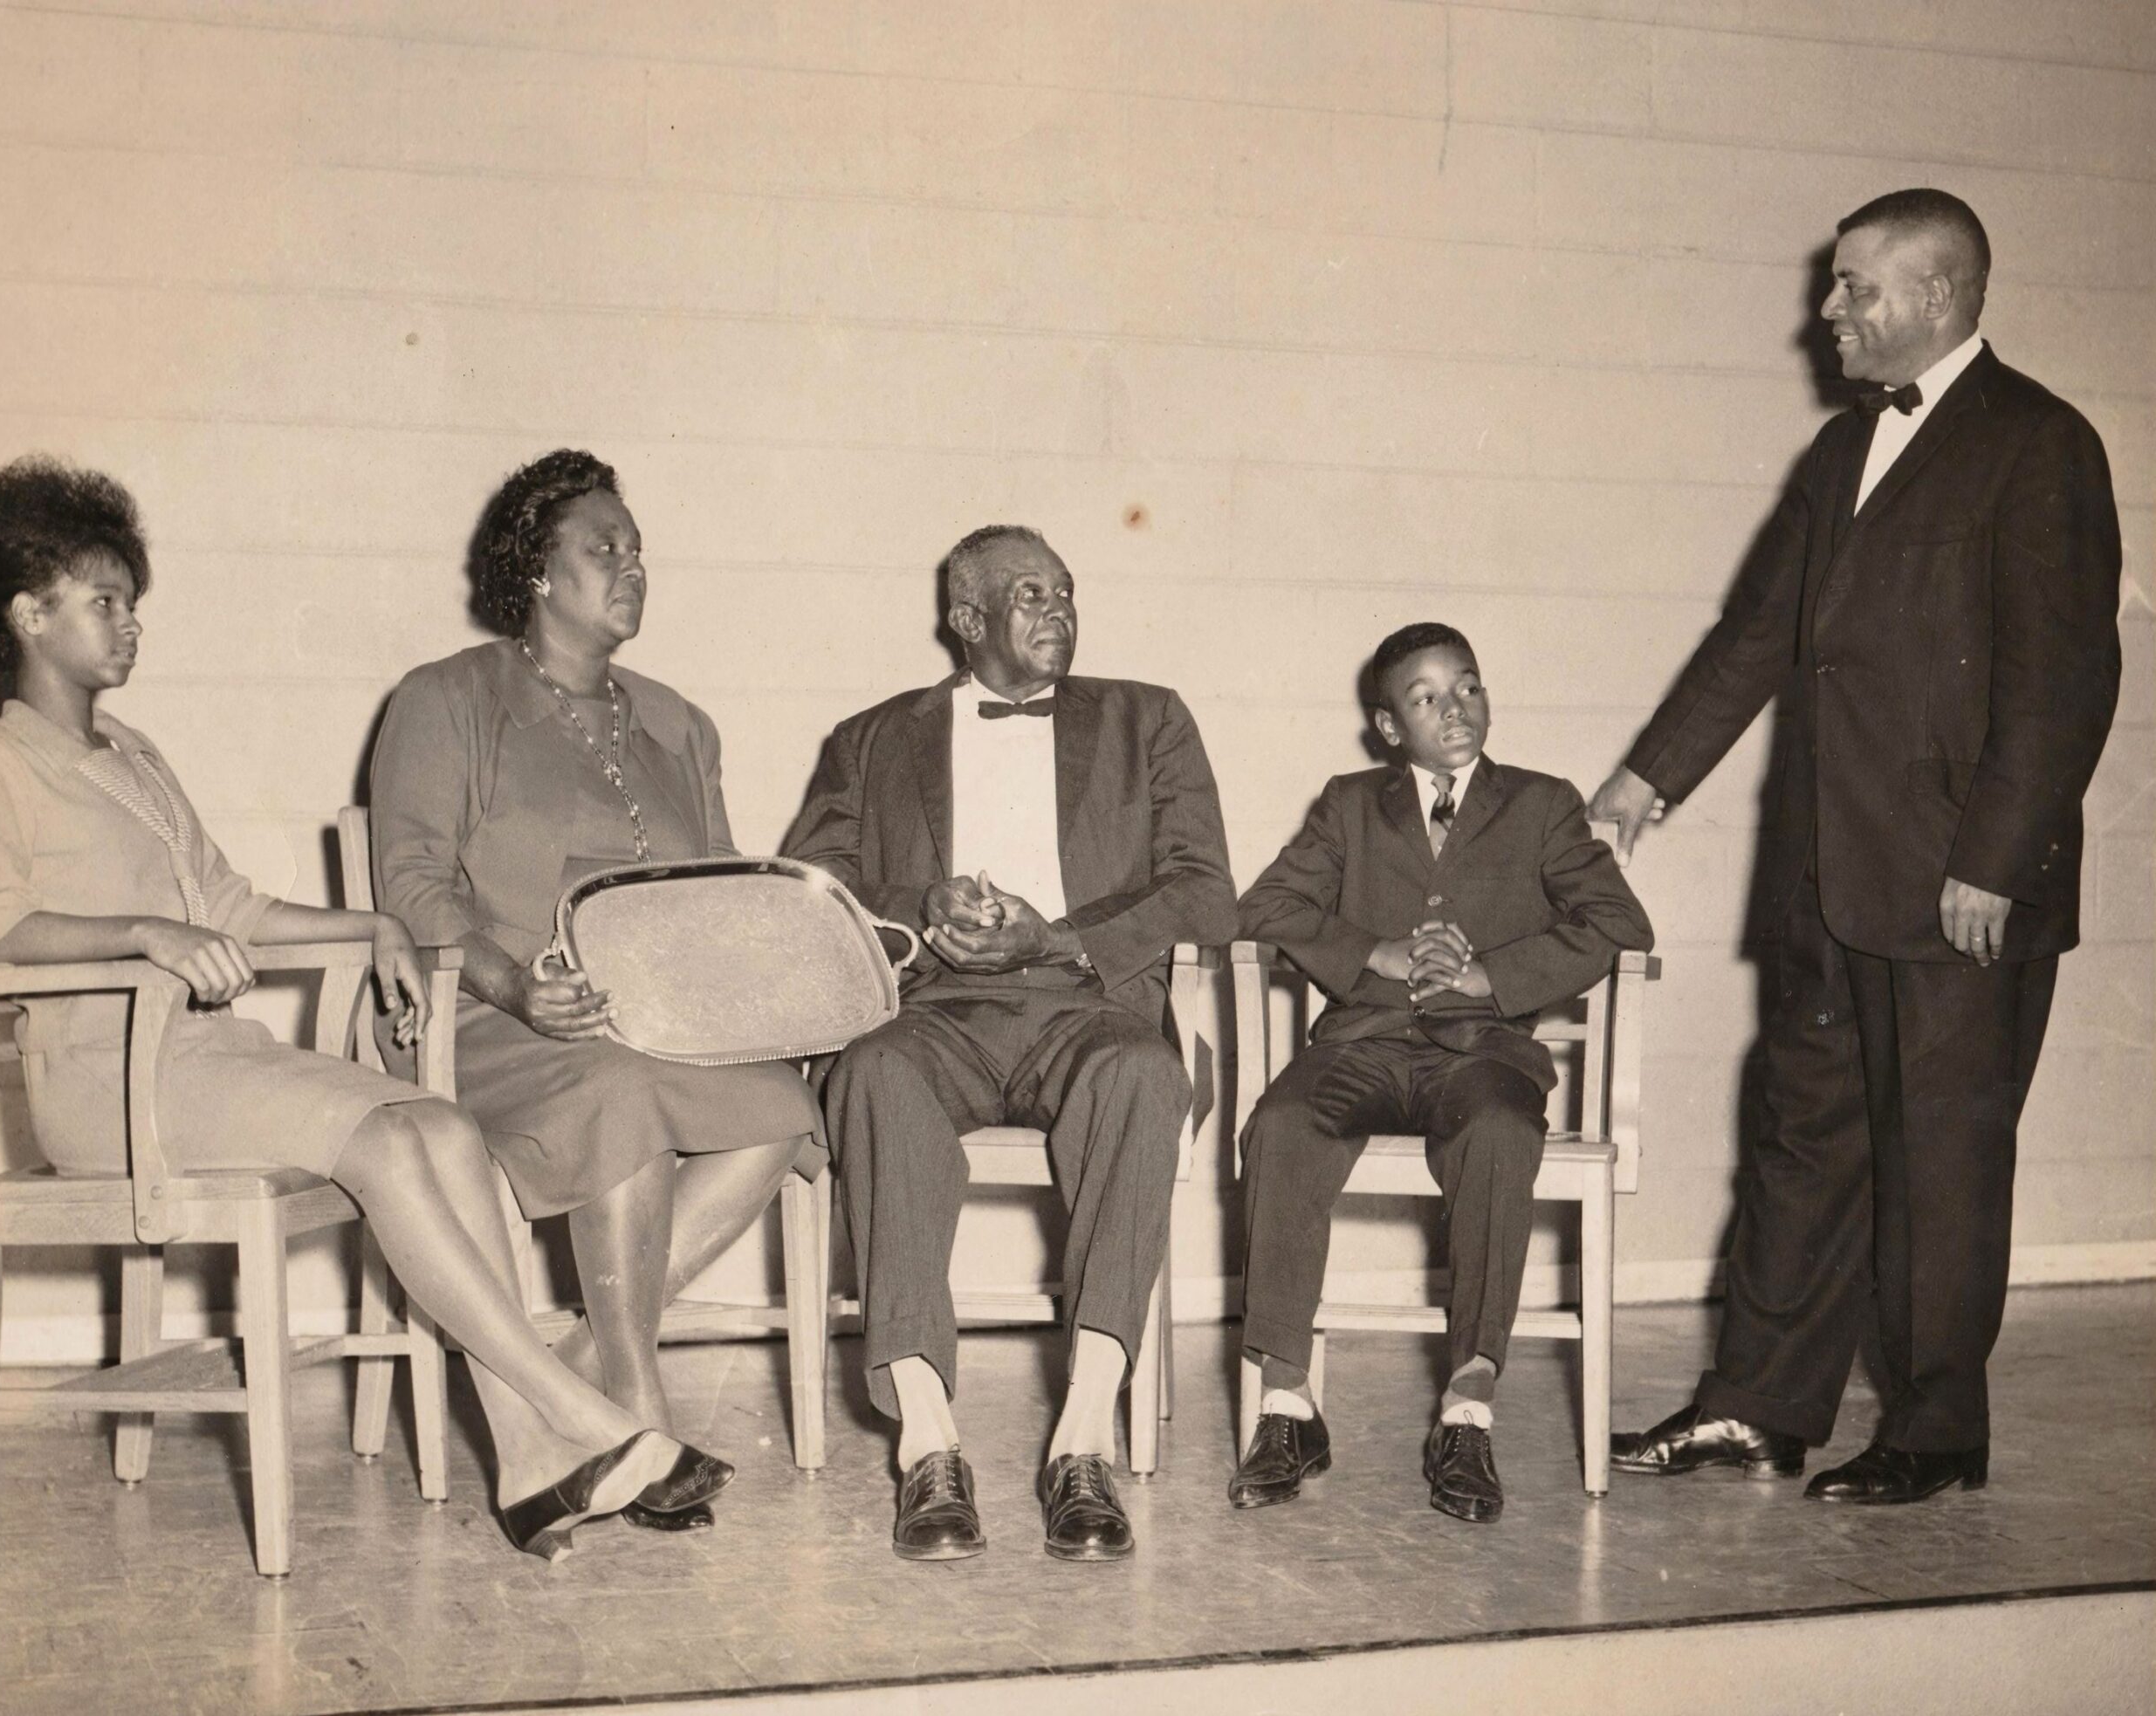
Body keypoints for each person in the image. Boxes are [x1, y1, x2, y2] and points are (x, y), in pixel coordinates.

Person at [0, 457, 689, 1561]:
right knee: (384, 1136)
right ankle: (571, 1418)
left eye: (132, 602)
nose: (130, 624)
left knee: (441, 1123)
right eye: (104, 604)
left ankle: (530, 1462)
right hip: (105, 1086)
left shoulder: (135, 756)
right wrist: (145, 935)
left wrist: (366, 925)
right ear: (26, 614)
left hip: (203, 1061)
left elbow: (228, 900)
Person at [1595, 189, 2123, 1504]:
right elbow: (1758, 634)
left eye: (1853, 288)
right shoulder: (1841, 452)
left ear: (1937, 297)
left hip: (1960, 884)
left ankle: (1939, 1431)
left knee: (1941, 1164)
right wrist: (1642, 783)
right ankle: (1759, 1408)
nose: (1826, 312)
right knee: (1801, 1137)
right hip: (1828, 873)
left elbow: (2063, 681)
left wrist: (1995, 858)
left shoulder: (2042, 444)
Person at [368, 449, 818, 1534]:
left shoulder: (678, 721)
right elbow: (411, 882)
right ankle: (644, 1404)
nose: (631, 567)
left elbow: (715, 890)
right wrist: (514, 985)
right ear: (534, 570)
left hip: (648, 1024)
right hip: (473, 1015)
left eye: (637, 551)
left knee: (783, 1107)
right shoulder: (445, 699)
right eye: (602, 547)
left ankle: (581, 1371)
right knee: (620, 1092)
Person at [783, 525, 1236, 1563]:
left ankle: (1082, 1438)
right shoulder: (872, 737)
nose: (1059, 611)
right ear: (966, 618)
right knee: (872, 1075)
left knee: (1144, 1075)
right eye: (1030, 594)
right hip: (930, 1006)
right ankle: (928, 1445)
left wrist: (1062, 939)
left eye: (1068, 592)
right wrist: (918, 901)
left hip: (1088, 999)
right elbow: (813, 888)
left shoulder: (1146, 718)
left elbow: (1207, 892)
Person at [1232, 623, 1653, 1523]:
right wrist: (1377, 952)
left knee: (1501, 1133)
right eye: (1425, 698)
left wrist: (1487, 975)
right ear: (1389, 728)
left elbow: (1619, 922)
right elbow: (1264, 905)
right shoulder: (1348, 805)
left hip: (1484, 1052)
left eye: (1467, 687)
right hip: (1360, 1045)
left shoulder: (1542, 804)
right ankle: (1286, 1402)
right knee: (1279, 1127)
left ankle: (1466, 1409)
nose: (1454, 710)